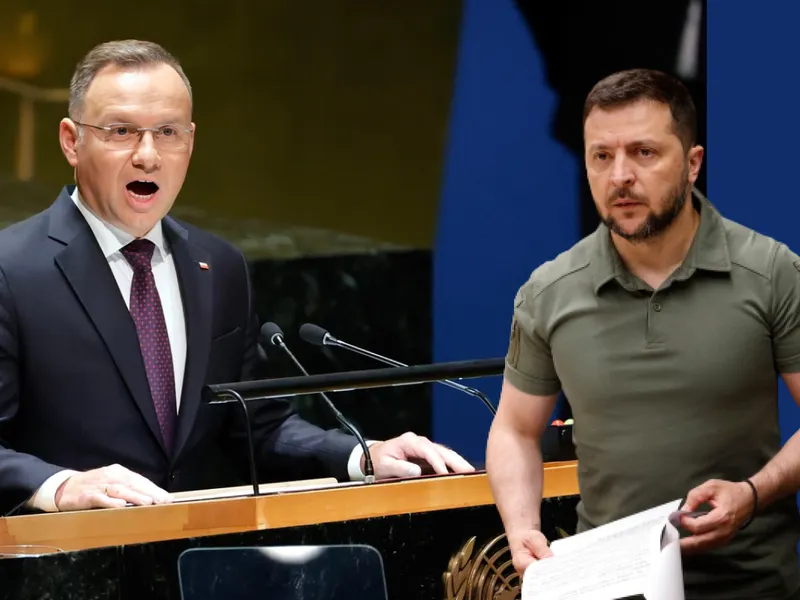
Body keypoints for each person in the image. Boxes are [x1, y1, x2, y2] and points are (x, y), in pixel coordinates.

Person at [0, 39, 473, 516]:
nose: (148, 156)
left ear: (190, 140)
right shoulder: (12, 269)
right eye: (121, 131)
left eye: (168, 132)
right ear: (70, 141)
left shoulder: (217, 266)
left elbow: (254, 425)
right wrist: (58, 486)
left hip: (190, 565)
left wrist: (361, 455)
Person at [485, 68, 800, 599]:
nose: (620, 176)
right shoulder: (549, 291)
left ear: (693, 163)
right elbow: (515, 431)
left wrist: (753, 492)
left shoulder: (770, 272)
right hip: (608, 586)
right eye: (601, 156)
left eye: (644, 153)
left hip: (753, 585)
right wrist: (521, 530)